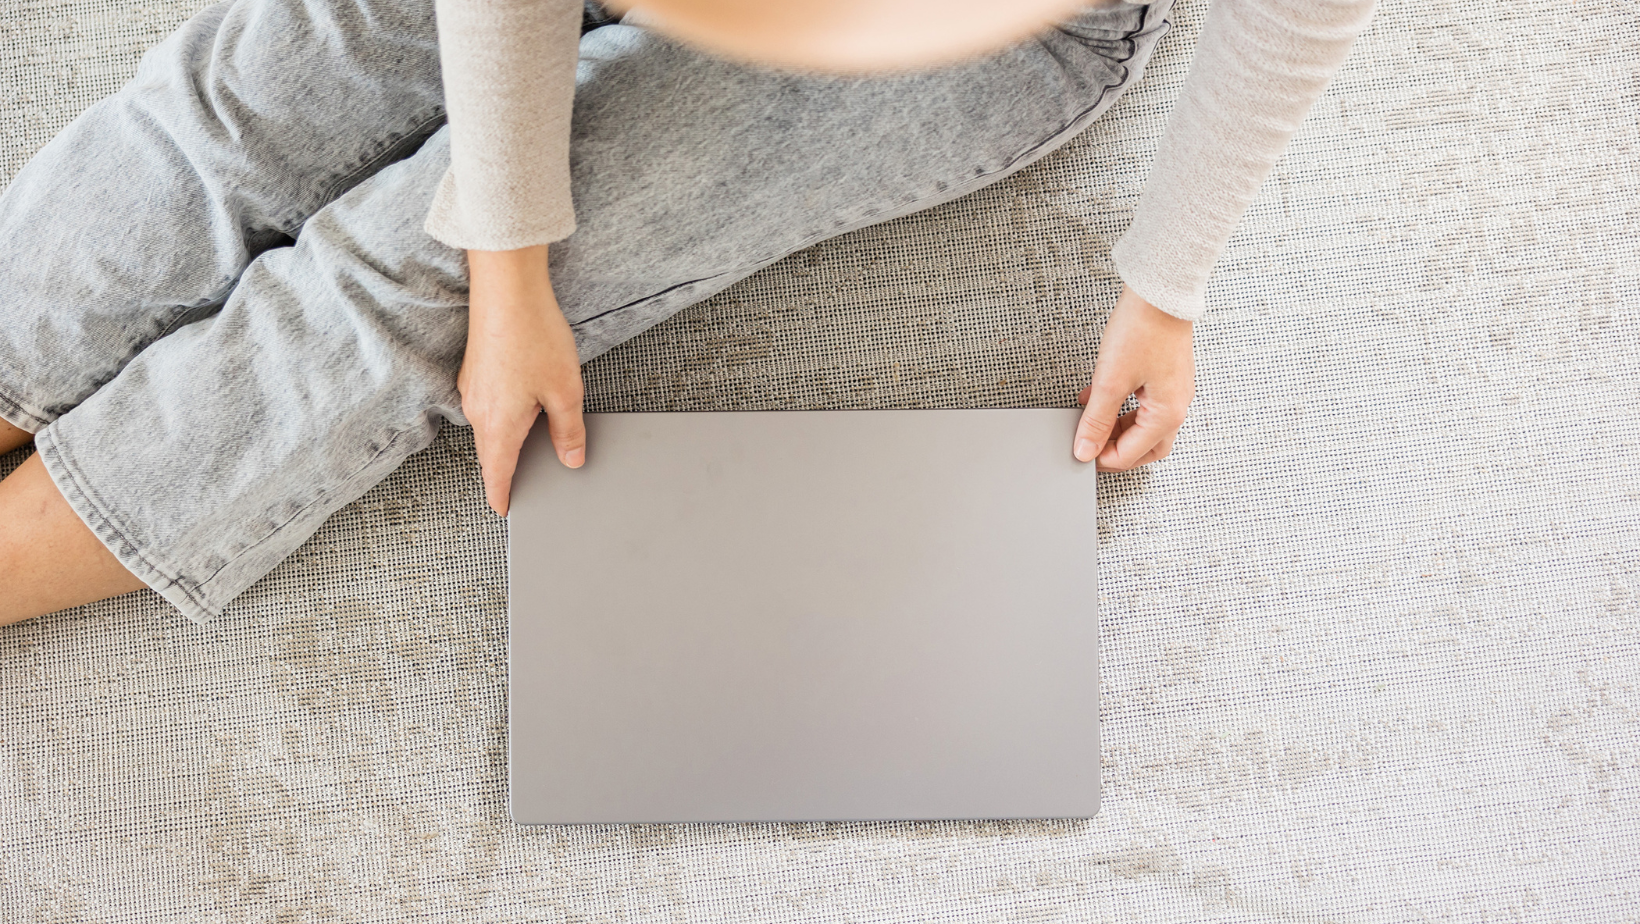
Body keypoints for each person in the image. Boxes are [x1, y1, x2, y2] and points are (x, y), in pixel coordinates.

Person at [0, 0, 1378, 627]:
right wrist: (512, 257)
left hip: (1019, 25)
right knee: (243, 102)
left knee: (391, 281)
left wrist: (1167, 289)